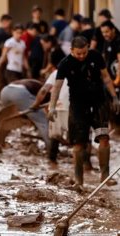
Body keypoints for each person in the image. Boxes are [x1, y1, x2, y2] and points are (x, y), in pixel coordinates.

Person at [48, 36, 120, 187]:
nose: (81, 56)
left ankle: (105, 176)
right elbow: (57, 87)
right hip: (78, 106)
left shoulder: (96, 56)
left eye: (84, 53)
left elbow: (106, 77)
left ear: (88, 48)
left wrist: (114, 97)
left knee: (104, 138)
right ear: (72, 50)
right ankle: (78, 180)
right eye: (78, 53)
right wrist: (52, 106)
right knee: (79, 144)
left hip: (98, 103)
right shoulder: (65, 64)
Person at [0, 79, 50, 153]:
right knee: (43, 122)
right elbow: (47, 111)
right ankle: (52, 150)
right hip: (20, 93)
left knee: (10, 121)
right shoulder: (49, 93)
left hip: (5, 92)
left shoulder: (37, 84)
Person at [0, 24, 30, 90]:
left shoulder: (22, 43)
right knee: (15, 88)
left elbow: (23, 57)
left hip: (19, 69)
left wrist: (28, 69)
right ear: (13, 32)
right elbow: (3, 56)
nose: (19, 35)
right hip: (11, 69)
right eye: (17, 32)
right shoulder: (9, 42)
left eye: (21, 33)